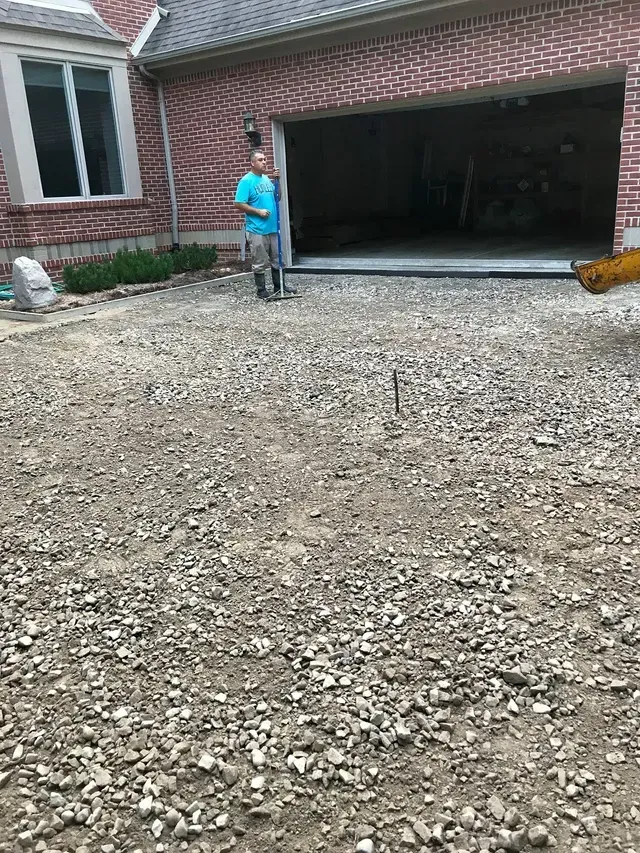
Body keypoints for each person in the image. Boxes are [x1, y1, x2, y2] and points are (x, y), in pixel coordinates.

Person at [234, 150, 297, 299]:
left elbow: (277, 197)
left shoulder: (267, 179)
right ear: (252, 163)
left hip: (273, 227)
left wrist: (277, 181)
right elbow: (239, 203)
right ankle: (261, 290)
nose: (264, 162)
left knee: (278, 258)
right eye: (260, 160)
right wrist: (258, 211)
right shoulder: (246, 181)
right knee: (260, 260)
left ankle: (279, 286)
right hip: (257, 229)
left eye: (265, 159)